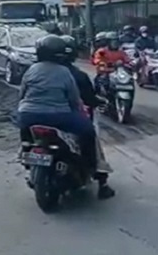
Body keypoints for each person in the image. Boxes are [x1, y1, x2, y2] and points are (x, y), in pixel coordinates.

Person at [16, 35, 107, 198]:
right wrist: (77, 112)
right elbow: (73, 98)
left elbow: (22, 93)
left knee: (24, 128)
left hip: (28, 115)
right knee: (88, 131)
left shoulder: (31, 69)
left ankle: (25, 149)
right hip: (59, 116)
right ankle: (91, 165)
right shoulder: (64, 72)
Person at [59, 35, 115, 199]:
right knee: (91, 139)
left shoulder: (35, 71)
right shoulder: (76, 75)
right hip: (72, 119)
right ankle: (101, 179)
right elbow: (89, 98)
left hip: (38, 118)